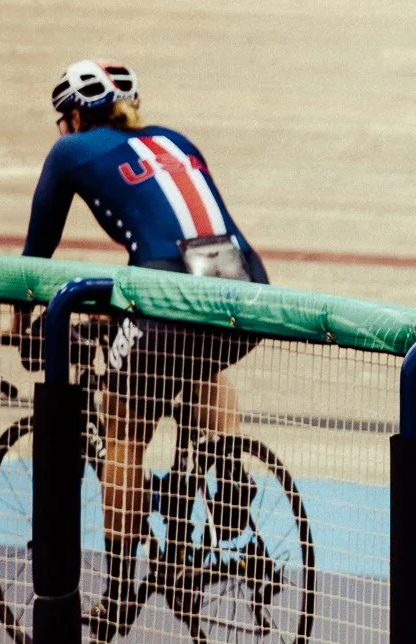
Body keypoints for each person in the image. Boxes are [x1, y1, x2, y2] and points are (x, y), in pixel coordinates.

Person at [21, 59, 269, 598]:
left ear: (75, 118)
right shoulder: (174, 140)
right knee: (200, 351)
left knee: (126, 425)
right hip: (248, 283)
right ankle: (224, 474)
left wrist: (14, 324)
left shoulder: (70, 152)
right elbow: (178, 247)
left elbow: (36, 254)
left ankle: (116, 592)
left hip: (170, 290)